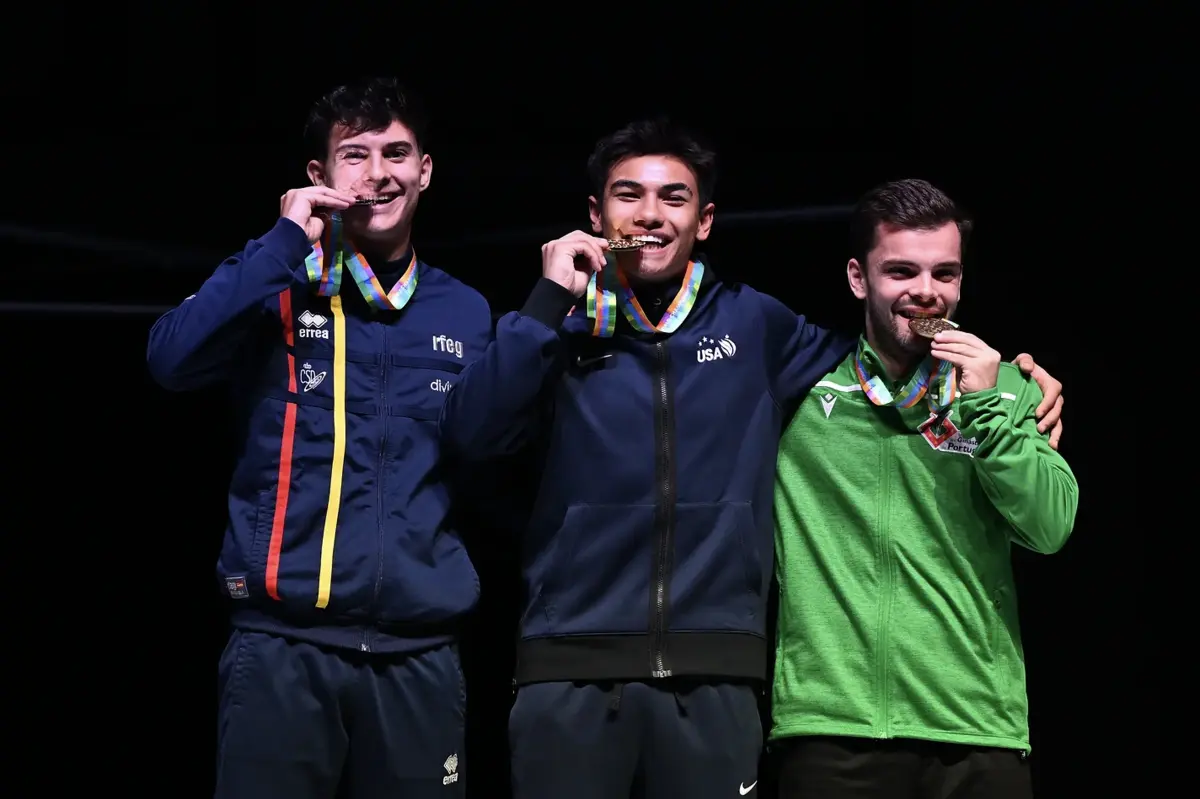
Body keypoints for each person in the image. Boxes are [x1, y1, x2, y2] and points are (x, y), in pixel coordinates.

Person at [437, 119, 1066, 799]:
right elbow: (471, 438)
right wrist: (547, 300)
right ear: (597, 214)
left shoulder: (756, 326)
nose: (650, 214)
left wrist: (1016, 386)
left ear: (704, 220)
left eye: (674, 197)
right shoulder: (552, 329)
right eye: (629, 195)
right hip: (570, 663)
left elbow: (893, 352)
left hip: (720, 674)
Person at [146, 77, 491, 798]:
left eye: (397, 153)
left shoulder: (465, 311)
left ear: (425, 170)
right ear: (318, 175)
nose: (378, 174)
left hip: (419, 656)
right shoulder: (273, 282)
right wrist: (282, 242)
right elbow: (170, 359)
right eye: (355, 155)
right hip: (282, 649)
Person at [770, 178, 1078, 799]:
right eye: (902, 271)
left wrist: (987, 407)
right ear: (858, 278)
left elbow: (1049, 527)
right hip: (831, 728)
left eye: (945, 273)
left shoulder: (1006, 390)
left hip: (976, 727)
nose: (927, 291)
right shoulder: (797, 389)